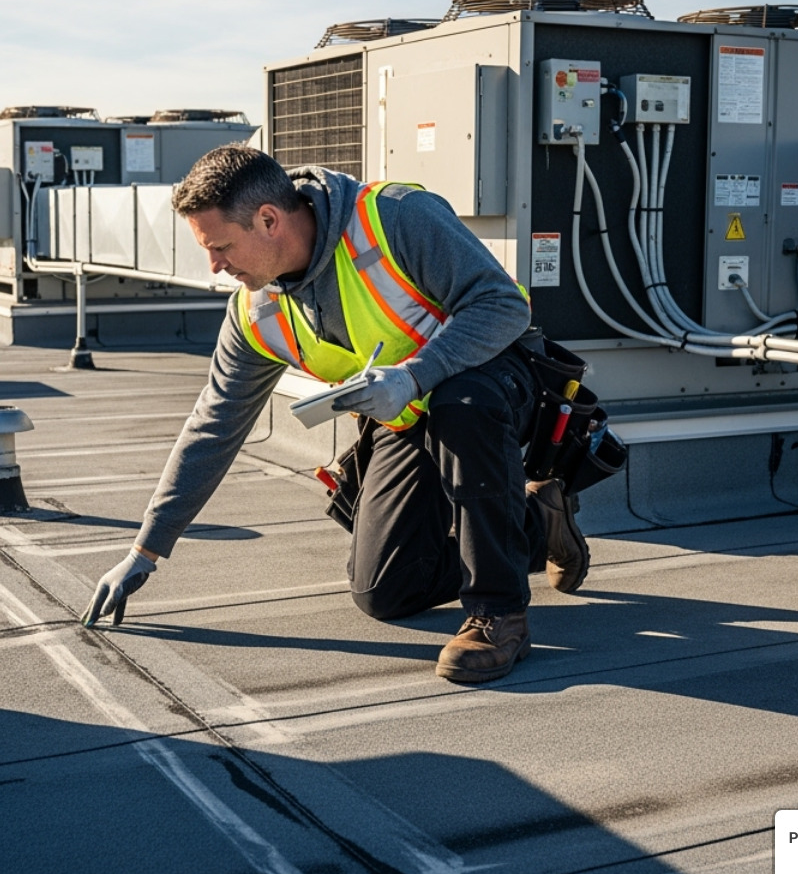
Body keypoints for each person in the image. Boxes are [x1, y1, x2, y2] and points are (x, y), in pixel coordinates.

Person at [81, 145, 588, 683]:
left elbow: (504, 305)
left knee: (464, 405)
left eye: (221, 247)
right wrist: (147, 548)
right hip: (406, 414)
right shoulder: (256, 313)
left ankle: (498, 614)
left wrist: (415, 375)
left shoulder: (393, 219)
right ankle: (541, 520)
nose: (216, 266)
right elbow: (213, 426)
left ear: (269, 219)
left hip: (496, 383)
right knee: (385, 590)